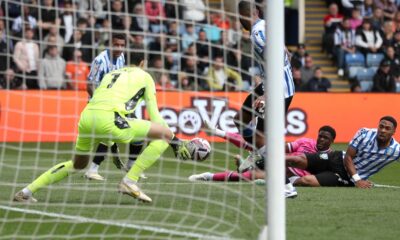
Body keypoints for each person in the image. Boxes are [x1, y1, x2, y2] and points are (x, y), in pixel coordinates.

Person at [13, 66, 192, 203]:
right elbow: (155, 117)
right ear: (143, 63)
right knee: (164, 135)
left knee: (77, 164)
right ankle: (130, 180)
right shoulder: (145, 77)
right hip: (109, 119)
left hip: (87, 116)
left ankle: (26, 192)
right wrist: (177, 142)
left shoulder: (112, 74)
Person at [234, 0, 296, 198]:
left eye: (240, 17)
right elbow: (284, 53)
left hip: (277, 89)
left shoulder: (257, 34)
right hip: (277, 84)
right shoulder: (268, 26)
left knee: (265, 137)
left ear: (247, 15)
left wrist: (267, 94)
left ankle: (286, 186)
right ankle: (258, 152)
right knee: (241, 119)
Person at [85, 33, 144, 181]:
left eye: (121, 45)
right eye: (116, 44)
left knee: (139, 131)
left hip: (117, 103)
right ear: (110, 44)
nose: (119, 48)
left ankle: (131, 165)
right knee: (108, 135)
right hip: (100, 104)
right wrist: (99, 101)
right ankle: (92, 170)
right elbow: (89, 84)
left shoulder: (123, 58)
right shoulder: (100, 60)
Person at [190, 126, 336, 184]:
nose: (321, 140)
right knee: (257, 144)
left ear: (332, 141)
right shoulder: (306, 141)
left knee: (251, 174)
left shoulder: (331, 157)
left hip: (292, 178)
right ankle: (219, 132)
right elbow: (283, 148)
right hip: (279, 163)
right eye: (320, 136)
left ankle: (208, 176)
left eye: (325, 138)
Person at [286, 116, 400, 187]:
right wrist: (358, 180)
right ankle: (268, 157)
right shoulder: (365, 133)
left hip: (345, 177)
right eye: (381, 126)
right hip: (337, 158)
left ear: (394, 131)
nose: (383, 130)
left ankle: (285, 181)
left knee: (307, 181)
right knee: (296, 159)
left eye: (387, 128)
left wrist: (355, 180)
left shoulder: (396, 150)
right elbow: (348, 157)